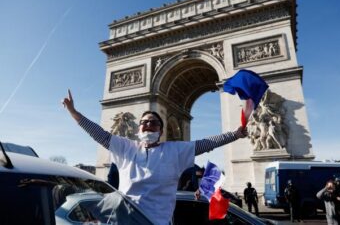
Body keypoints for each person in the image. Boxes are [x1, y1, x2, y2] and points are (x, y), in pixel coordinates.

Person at [62, 90, 247, 225]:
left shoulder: (175, 150)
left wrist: (235, 134)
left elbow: (205, 144)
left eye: (154, 123)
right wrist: (74, 113)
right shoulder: (125, 147)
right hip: (125, 220)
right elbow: (99, 134)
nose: (149, 125)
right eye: (144, 122)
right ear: (138, 128)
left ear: (161, 130)